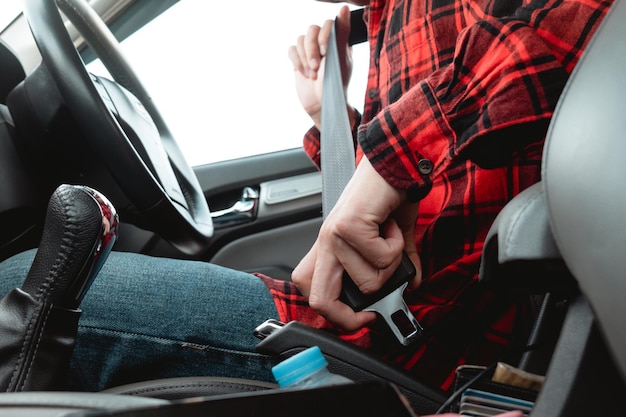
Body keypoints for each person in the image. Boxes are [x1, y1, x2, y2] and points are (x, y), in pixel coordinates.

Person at [0, 0, 611, 399]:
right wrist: (331, 116)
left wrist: (390, 163)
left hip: (418, 344)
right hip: (378, 314)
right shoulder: (394, 16)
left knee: (15, 287)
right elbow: (415, 202)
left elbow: (576, 29)